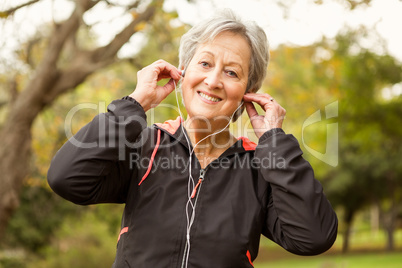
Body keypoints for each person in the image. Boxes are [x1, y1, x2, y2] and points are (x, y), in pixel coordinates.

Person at [48, 9, 337, 268]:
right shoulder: (145, 146)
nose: (213, 81)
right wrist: (135, 104)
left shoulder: (260, 166)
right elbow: (67, 178)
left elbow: (313, 237)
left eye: (232, 72)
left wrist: (274, 141)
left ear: (248, 91)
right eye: (205, 64)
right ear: (182, 72)